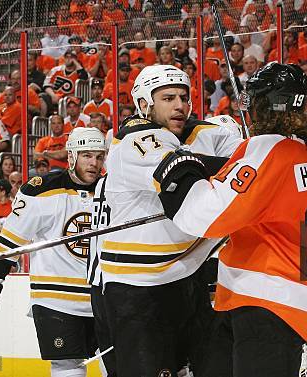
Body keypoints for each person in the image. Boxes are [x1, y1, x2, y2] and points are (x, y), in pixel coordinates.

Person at [153, 62, 307, 376]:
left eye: (253, 102)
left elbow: (207, 215)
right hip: (286, 294)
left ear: (264, 107)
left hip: (270, 298)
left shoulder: (268, 149)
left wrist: (181, 173)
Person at [98, 64, 242, 377]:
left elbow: (230, 151)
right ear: (144, 104)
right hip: (139, 289)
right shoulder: (134, 139)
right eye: (168, 98)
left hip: (186, 279)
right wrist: (250, 165)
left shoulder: (192, 133)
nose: (180, 105)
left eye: (183, 97)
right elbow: (180, 169)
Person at [0, 127, 106, 377]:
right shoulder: (41, 190)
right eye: (86, 155)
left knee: (117, 365)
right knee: (67, 367)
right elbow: (12, 240)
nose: (94, 163)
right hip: (56, 299)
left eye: (98, 156)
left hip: (103, 298)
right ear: (72, 156)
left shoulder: (112, 190)